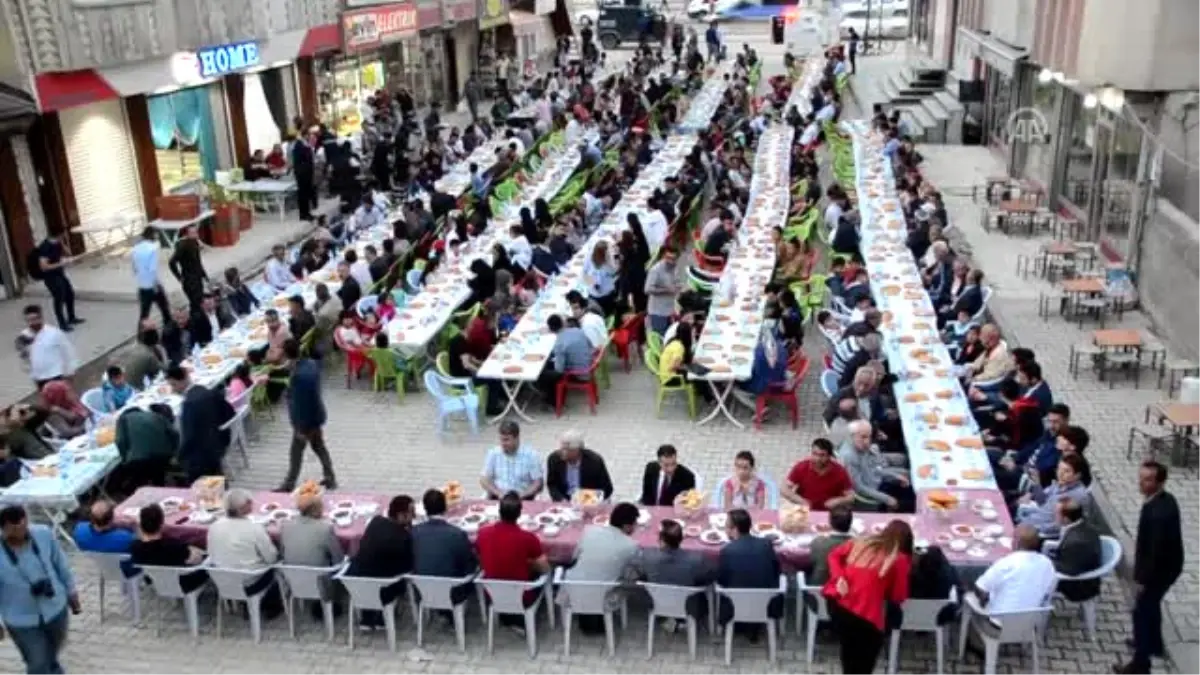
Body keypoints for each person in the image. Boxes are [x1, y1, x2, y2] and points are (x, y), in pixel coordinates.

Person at [1114, 461, 1184, 675]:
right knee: (1151, 606)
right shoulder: (1163, 500)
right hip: (1167, 566)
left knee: (1141, 613)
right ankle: (1155, 644)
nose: (1141, 483)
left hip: (1160, 570)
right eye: (1141, 478)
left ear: (1160, 482)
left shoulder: (1158, 514)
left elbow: (1154, 552)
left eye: (1147, 480)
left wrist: (1142, 580)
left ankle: (1140, 664)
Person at [823, 520, 914, 675]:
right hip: (867, 616)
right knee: (864, 663)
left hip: (839, 606)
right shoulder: (899, 559)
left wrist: (839, 577)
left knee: (848, 653)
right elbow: (898, 596)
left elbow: (833, 555)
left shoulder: (861, 543)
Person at [0, 505, 79, 674]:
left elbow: (61, 564)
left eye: (24, 524)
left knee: (51, 654)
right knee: (37, 662)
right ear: (4, 528)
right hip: (21, 619)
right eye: (15, 528)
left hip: (55, 609)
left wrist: (72, 591)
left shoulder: (43, 533)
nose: (22, 530)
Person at [966, 524, 1057, 656]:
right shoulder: (1047, 564)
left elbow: (980, 588)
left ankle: (979, 647)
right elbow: (1047, 592)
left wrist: (982, 600)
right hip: (1029, 625)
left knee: (969, 602)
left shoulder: (1007, 563)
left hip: (998, 627)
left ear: (1017, 542)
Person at [475, 491, 550, 631]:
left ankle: (508, 618)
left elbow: (479, 558)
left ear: (499, 511)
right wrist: (529, 564)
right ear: (519, 514)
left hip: (492, 593)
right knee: (544, 578)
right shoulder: (528, 538)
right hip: (521, 596)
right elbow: (545, 568)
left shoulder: (483, 533)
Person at [562, 501, 641, 633]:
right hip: (603, 595)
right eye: (635, 524)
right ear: (627, 526)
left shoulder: (589, 530)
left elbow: (574, 557)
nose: (636, 527)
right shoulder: (631, 545)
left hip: (573, 590)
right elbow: (635, 571)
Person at [628, 519, 714, 629]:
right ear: (681, 539)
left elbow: (636, 570)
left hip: (657, 603)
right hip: (689, 605)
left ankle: (667, 619)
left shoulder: (647, 556)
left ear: (662, 540)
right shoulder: (696, 559)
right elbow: (710, 576)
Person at [345, 495, 414, 628]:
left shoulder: (376, 521)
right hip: (383, 588)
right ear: (401, 515)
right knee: (397, 579)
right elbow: (407, 567)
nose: (414, 517)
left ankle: (367, 617)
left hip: (357, 585)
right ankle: (384, 616)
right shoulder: (403, 537)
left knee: (372, 569)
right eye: (411, 514)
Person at [279, 339, 338, 491]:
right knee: (319, 447)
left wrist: (300, 428)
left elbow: (300, 404)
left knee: (296, 453)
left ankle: (289, 484)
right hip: (317, 416)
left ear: (286, 355)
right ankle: (330, 477)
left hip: (305, 422)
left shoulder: (298, 377)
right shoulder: (311, 364)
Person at [717, 509, 783, 640]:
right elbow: (777, 570)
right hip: (766, 603)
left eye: (726, 526)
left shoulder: (727, 550)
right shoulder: (766, 544)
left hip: (736, 605)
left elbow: (722, 581)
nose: (725, 529)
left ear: (734, 529)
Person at [411, 489, 478, 608]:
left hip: (423, 590)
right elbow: (469, 565)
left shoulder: (414, 531)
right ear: (445, 507)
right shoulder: (457, 534)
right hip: (455, 591)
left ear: (425, 510)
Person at [168, 364, 235, 482]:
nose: (172, 389)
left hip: (203, 456)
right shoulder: (207, 391)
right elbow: (229, 412)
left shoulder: (189, 404)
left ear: (182, 381)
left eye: (173, 385)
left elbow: (189, 438)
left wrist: (178, 456)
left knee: (181, 461)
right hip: (219, 443)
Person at [129, 504, 207, 594]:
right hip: (184, 582)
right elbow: (197, 559)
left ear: (141, 525)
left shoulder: (135, 547)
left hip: (153, 579)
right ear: (162, 525)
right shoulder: (173, 545)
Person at [838, 420, 913, 511]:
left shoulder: (861, 446)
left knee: (909, 477)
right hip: (871, 493)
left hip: (877, 481)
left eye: (869, 437)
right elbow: (859, 488)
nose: (867, 441)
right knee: (910, 501)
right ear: (851, 436)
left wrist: (896, 476)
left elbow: (874, 469)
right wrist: (887, 499)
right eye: (863, 437)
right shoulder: (849, 456)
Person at [1014, 455, 1091, 539]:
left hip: (1037, 532)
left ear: (1077, 475)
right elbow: (1042, 502)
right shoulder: (1060, 483)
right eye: (1059, 469)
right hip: (1031, 518)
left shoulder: (1078, 496)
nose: (1060, 474)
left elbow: (1062, 526)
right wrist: (1037, 484)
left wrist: (1034, 528)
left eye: (1066, 471)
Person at [1048, 498, 1102, 603]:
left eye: (1057, 514)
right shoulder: (1082, 523)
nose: (1054, 516)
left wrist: (1045, 562)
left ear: (1066, 519)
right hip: (1074, 563)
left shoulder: (1076, 543)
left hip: (1079, 586)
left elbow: (1069, 570)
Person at [113, 403, 178, 491]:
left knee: (138, 478)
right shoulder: (156, 415)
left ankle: (134, 491)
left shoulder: (123, 419)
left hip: (139, 459)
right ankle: (159, 490)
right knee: (158, 477)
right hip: (163, 456)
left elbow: (120, 441)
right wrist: (172, 451)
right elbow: (174, 434)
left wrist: (125, 459)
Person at [783, 438, 856, 510]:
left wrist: (838, 501)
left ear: (830, 456)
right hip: (805, 511)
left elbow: (851, 496)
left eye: (822, 455)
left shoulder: (840, 471)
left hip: (830, 513)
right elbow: (784, 489)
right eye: (814, 454)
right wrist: (802, 501)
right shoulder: (801, 467)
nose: (817, 459)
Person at [545, 429, 614, 502]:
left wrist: (582, 500)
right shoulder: (554, 459)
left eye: (566, 449)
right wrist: (561, 499)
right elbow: (552, 485)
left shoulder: (594, 461)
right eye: (561, 448)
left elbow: (607, 489)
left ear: (577, 450)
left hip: (589, 499)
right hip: (565, 498)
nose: (561, 452)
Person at [480, 421, 544, 499]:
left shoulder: (531, 455)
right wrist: (498, 492)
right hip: (499, 496)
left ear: (517, 438)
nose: (503, 443)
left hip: (523, 497)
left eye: (506, 440)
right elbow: (484, 479)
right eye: (501, 440)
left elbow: (538, 482)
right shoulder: (493, 454)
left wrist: (523, 494)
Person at [23, 304, 78, 389]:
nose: (33, 323)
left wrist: (70, 372)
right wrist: (31, 374)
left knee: (61, 400)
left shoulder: (54, 333)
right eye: (29, 320)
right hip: (39, 378)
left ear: (41, 318)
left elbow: (68, 352)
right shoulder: (24, 336)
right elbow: (24, 357)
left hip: (56, 375)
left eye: (35, 319)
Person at [806, 504, 855, 586]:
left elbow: (811, 562)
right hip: (849, 589)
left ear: (830, 522)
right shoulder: (859, 545)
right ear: (851, 522)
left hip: (820, 589)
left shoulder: (818, 542)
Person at [132, 226, 171, 325]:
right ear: (153, 235)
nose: (158, 236)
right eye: (156, 234)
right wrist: (157, 285)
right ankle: (169, 330)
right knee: (165, 310)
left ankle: (141, 335)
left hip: (142, 286)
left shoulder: (135, 248)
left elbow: (135, 269)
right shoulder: (153, 248)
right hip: (153, 285)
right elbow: (152, 269)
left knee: (144, 314)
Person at [168, 225, 209, 313]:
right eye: (193, 233)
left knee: (201, 303)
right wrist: (179, 277)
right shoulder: (182, 246)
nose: (196, 235)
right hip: (189, 280)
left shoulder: (195, 243)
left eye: (196, 232)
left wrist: (204, 275)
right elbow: (172, 262)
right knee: (196, 305)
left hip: (197, 278)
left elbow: (198, 262)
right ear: (187, 234)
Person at [645, 248, 680, 335]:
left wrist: (678, 286)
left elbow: (676, 282)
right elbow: (647, 289)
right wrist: (666, 290)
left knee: (669, 335)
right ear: (664, 256)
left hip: (669, 309)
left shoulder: (674, 267)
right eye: (668, 258)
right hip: (658, 312)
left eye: (673, 259)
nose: (670, 261)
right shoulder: (655, 270)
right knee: (660, 337)